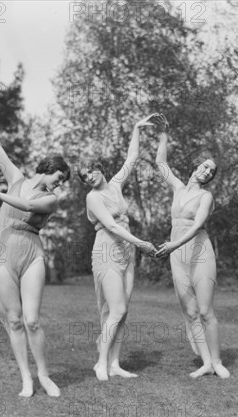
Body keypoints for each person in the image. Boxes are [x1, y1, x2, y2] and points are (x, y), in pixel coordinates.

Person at [0, 106, 69, 398]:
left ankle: (44, 375)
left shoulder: (51, 199)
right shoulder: (17, 179)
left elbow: (30, 207)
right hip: (4, 248)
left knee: (32, 319)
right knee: (15, 319)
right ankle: (26, 379)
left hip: (31, 250)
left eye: (63, 181)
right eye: (59, 176)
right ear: (47, 168)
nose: (60, 183)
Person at [78, 115, 157, 381]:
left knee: (122, 310)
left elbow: (131, 159)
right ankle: (101, 362)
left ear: (99, 168)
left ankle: (114, 363)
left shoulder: (114, 185)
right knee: (116, 309)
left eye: (91, 171)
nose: (88, 177)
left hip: (126, 251)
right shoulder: (93, 197)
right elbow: (111, 227)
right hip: (107, 250)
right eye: (84, 176)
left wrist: (136, 129)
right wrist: (141, 243)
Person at [153, 114, 230, 379]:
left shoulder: (205, 196)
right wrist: (164, 134)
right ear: (196, 165)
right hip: (178, 255)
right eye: (205, 167)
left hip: (199, 251)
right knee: (190, 310)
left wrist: (173, 244)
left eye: (211, 171)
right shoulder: (177, 188)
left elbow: (197, 226)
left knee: (206, 310)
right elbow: (160, 162)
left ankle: (218, 361)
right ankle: (206, 362)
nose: (207, 172)